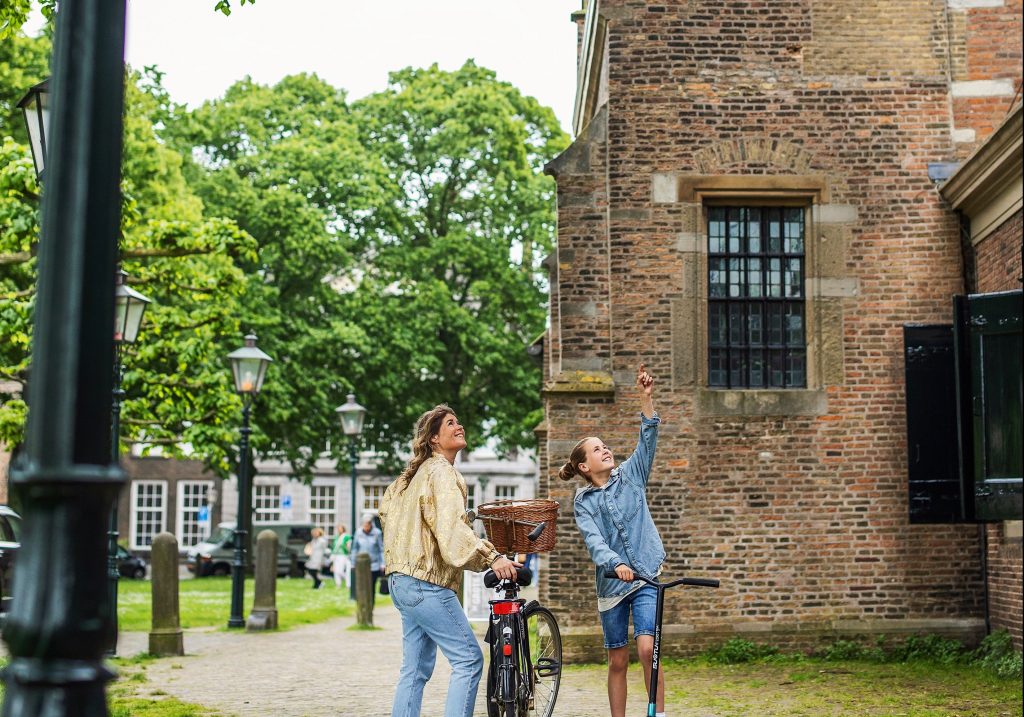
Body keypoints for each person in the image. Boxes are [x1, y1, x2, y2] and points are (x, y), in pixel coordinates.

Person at [379, 404, 520, 717]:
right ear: (434, 438)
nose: (460, 427)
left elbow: (386, 511)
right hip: (427, 584)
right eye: (451, 423)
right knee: (469, 660)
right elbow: (452, 530)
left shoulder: (409, 477)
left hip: (401, 582)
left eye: (459, 421)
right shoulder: (443, 472)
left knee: (413, 671)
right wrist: (492, 556)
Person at [559, 363, 666, 717]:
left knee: (647, 648)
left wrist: (645, 398)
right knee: (617, 658)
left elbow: (647, 437)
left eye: (605, 446)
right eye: (597, 449)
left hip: (647, 575)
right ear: (584, 467)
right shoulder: (583, 502)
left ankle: (658, 714)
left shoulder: (632, 475)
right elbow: (594, 541)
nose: (605, 450)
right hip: (612, 587)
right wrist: (614, 563)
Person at [351, 513, 384, 601]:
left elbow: (381, 549)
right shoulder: (358, 533)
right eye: (364, 524)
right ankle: (363, 605)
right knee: (362, 586)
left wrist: (382, 564)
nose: (366, 527)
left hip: (374, 565)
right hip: (361, 565)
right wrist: (353, 563)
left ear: (371, 524)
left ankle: (370, 605)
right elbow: (354, 549)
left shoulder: (377, 533)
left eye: (368, 524)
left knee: (371, 586)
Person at [329, 523, 352, 589]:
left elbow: (348, 547)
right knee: (336, 571)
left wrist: (345, 547)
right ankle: (338, 584)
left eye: (340, 528)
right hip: (335, 555)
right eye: (338, 528)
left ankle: (348, 583)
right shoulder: (336, 537)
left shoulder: (346, 536)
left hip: (343, 555)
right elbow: (333, 547)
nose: (339, 530)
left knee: (340, 571)